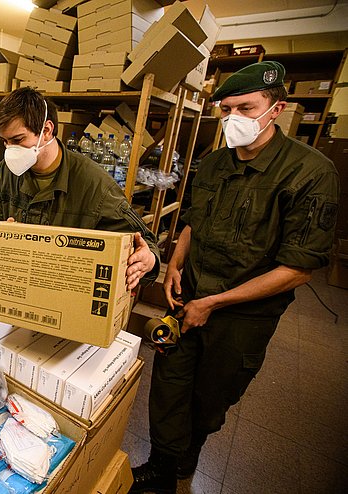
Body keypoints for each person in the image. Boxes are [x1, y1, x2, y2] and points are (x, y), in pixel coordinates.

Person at [130, 61, 339, 493]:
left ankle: (187, 460)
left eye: (246, 108)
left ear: (275, 108)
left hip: (242, 317)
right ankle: (161, 465)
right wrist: (174, 263)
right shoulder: (213, 163)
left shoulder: (310, 173)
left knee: (211, 398)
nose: (234, 119)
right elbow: (191, 221)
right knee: (169, 388)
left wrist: (215, 304)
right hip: (188, 299)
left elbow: (298, 268)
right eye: (226, 110)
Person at [0, 87, 159, 293]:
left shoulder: (94, 184)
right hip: (18, 288)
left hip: (66, 294)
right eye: (5, 142)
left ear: (46, 131)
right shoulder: (6, 172)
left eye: (18, 140)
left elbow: (145, 242)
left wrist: (149, 259)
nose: (10, 150)